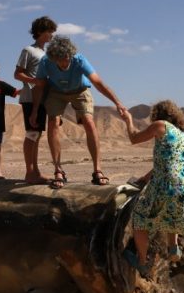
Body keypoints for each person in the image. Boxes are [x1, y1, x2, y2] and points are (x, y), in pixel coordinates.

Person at [120, 100, 184, 278]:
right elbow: (168, 163)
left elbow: (134, 138)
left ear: (159, 115)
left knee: (140, 217)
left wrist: (128, 119)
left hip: (171, 184)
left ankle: (143, 263)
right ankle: (173, 249)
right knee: (171, 212)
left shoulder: (161, 126)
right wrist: (144, 178)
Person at [30, 36, 126, 188]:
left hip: (80, 90)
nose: (64, 62)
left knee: (88, 121)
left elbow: (98, 83)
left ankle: (97, 170)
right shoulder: (46, 62)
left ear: (71, 55)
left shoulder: (79, 60)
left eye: (67, 58)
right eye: (60, 60)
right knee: (53, 122)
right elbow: (40, 86)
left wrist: (117, 103)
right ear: (54, 59)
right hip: (56, 92)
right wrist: (35, 111)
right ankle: (58, 170)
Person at [14, 16, 57, 184]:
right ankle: (29, 172)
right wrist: (34, 81)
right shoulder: (28, 50)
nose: (51, 35)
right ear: (39, 32)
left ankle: (35, 172)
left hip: (43, 100)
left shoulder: (46, 54)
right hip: (29, 98)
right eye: (49, 32)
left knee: (37, 134)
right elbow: (17, 74)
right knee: (32, 133)